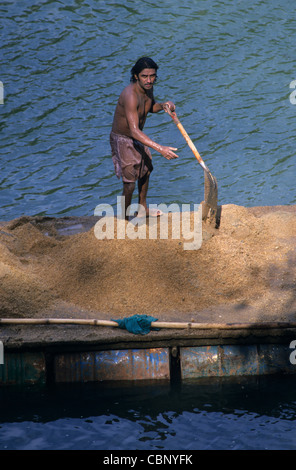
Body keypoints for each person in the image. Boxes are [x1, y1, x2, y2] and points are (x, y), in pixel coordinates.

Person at [110, 57, 178, 219]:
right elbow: (133, 130)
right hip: (124, 139)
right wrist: (160, 148)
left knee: (146, 169)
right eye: (144, 76)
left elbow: (149, 107)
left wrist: (163, 106)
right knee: (129, 183)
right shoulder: (130, 95)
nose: (149, 80)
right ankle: (123, 218)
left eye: (152, 76)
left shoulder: (148, 89)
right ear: (135, 76)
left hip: (137, 136)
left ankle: (142, 208)